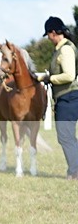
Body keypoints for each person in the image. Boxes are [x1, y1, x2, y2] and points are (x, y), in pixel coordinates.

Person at [41, 16, 78, 180]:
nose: (48, 38)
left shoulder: (65, 50)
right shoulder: (61, 49)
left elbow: (69, 75)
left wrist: (51, 79)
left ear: (53, 32)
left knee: (65, 136)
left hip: (68, 97)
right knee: (67, 136)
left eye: (48, 34)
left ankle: (75, 171)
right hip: (66, 98)